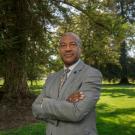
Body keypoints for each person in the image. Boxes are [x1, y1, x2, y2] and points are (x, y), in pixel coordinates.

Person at [32, 32, 102, 135]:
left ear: (80, 48)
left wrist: (45, 103)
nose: (67, 49)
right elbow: (35, 108)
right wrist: (66, 103)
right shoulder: (51, 77)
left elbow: (76, 112)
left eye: (73, 44)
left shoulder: (92, 74)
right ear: (59, 50)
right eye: (63, 45)